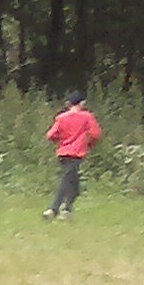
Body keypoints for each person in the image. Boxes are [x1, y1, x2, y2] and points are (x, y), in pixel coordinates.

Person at [43, 90, 98, 220]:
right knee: (66, 180)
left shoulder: (61, 117)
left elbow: (50, 135)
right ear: (82, 103)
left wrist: (60, 141)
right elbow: (95, 134)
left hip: (63, 152)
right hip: (77, 153)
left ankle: (67, 210)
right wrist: (89, 143)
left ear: (69, 103)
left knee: (74, 184)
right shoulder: (87, 117)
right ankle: (53, 209)